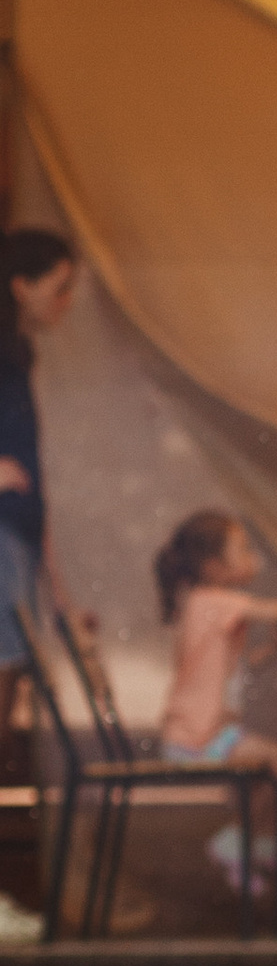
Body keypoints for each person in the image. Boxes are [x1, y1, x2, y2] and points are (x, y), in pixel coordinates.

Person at [153, 511, 277, 890]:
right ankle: (236, 845)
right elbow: (274, 610)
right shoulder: (210, 601)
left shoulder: (206, 604)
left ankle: (258, 849)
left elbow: (233, 668)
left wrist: (270, 649)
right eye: (244, 550)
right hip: (197, 738)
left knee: (271, 768)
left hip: (205, 733)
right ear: (214, 566)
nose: (252, 558)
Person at [0, 229, 79, 683]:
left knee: (17, 671)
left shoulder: (18, 353)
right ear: (21, 285)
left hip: (19, 532)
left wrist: (51, 567)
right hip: (2, 529)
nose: (66, 301)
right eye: (60, 287)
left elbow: (29, 462)